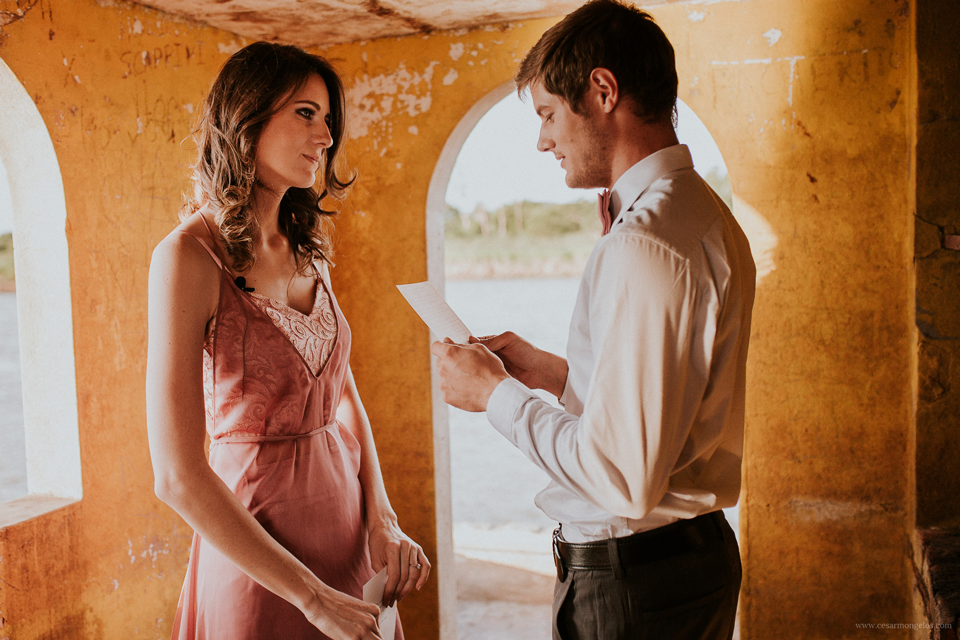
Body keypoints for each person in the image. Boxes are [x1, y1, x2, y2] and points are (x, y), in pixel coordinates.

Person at [431, 2, 755, 638]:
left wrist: (495, 395)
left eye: (549, 114)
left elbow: (620, 477)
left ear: (603, 91)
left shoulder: (644, 241)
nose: (543, 140)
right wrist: (556, 374)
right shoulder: (698, 212)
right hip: (678, 565)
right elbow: (674, 402)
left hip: (633, 586)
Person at [146, 42, 429, 640]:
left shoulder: (310, 249)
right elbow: (175, 475)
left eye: (328, 119)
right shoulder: (186, 258)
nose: (325, 137)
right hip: (263, 557)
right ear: (246, 117)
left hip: (350, 538)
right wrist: (311, 597)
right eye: (305, 113)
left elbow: (343, 396)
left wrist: (383, 516)